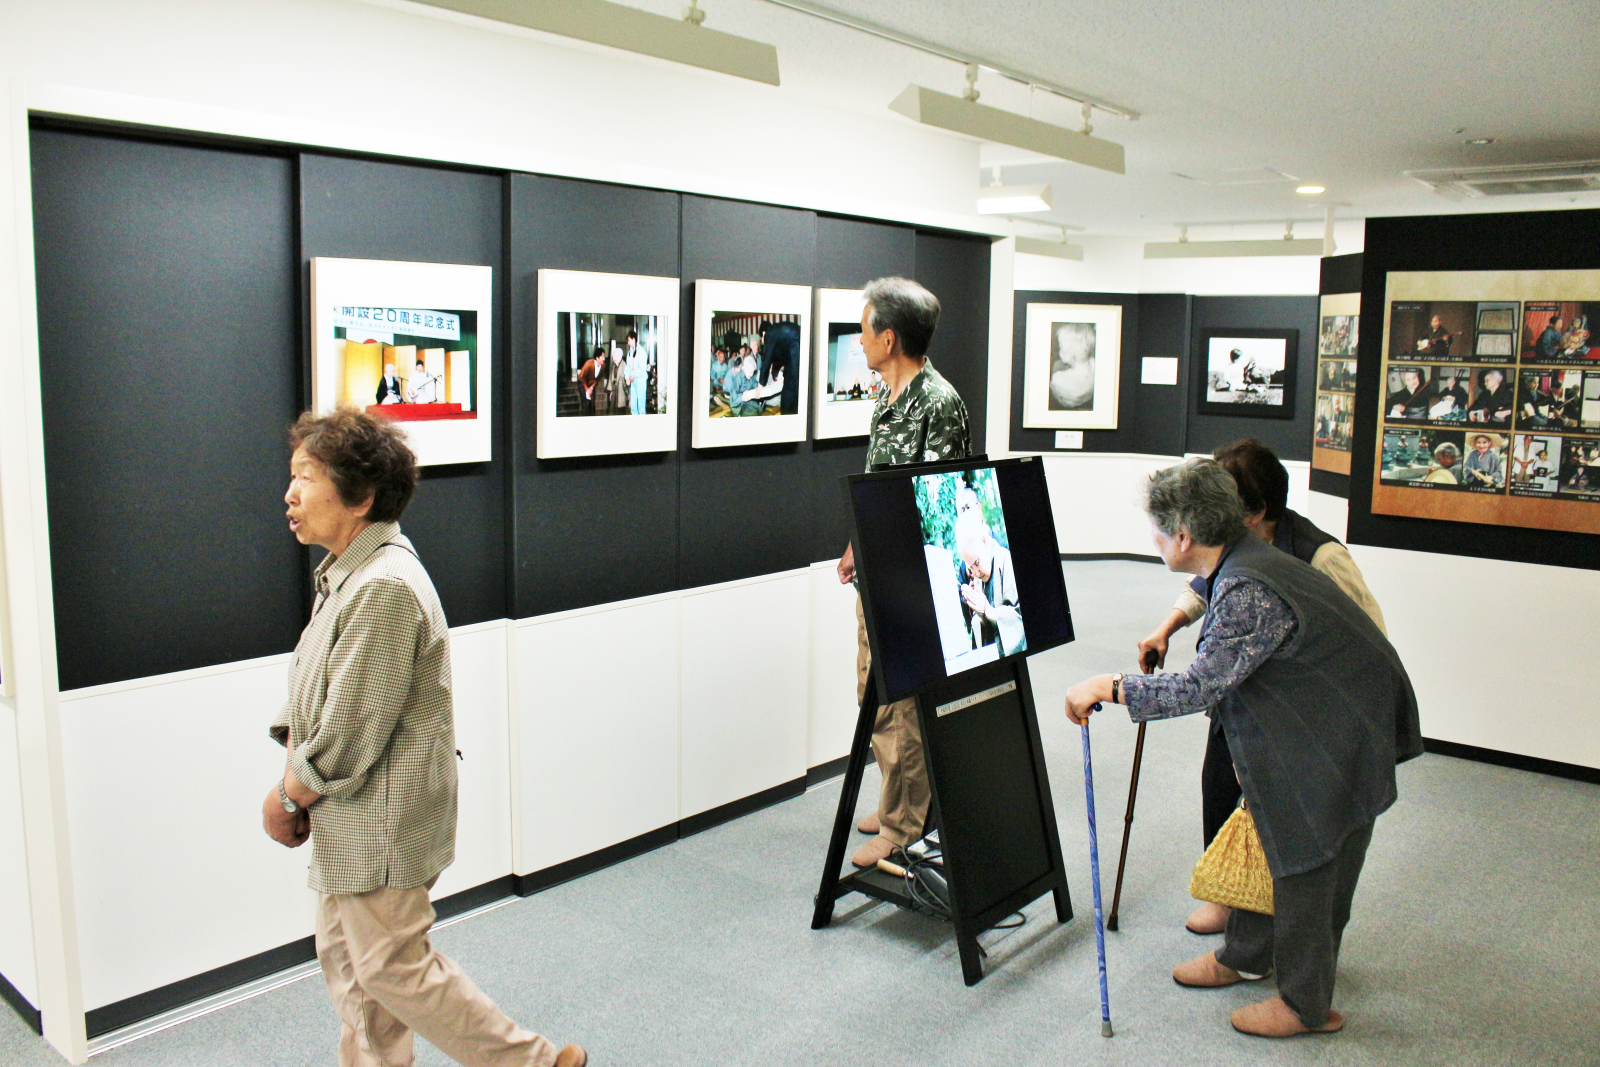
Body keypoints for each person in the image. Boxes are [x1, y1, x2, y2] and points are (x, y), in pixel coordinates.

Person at [265, 408, 585, 1067]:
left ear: (361, 495)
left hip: (379, 819)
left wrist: (288, 793)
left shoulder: (381, 584)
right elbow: (319, 681)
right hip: (349, 814)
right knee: (354, 969)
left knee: (390, 968)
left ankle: (535, 1063)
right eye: (291, 476)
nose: (290, 493)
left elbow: (349, 732)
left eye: (306, 476)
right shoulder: (348, 573)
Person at [1066, 458, 1420, 1039]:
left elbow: (1198, 686)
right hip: (1323, 720)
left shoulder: (1247, 587)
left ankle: (1306, 1005)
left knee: (1308, 860)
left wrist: (1109, 687)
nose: (1154, 541)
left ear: (1182, 536)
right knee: (1266, 836)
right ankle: (1247, 954)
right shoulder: (1239, 562)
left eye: (1156, 531)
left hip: (1342, 734)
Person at [1136, 439, 1388, 937]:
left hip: (1300, 706)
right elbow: (1207, 585)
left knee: (1276, 814)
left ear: (1256, 511)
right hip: (1245, 691)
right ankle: (1226, 895)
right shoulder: (1233, 546)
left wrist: (1114, 689)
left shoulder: (1319, 555)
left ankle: (1269, 931)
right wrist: (1168, 627)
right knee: (1219, 783)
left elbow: (1367, 635)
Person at [836, 276, 971, 871]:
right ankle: (902, 798)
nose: (860, 341)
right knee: (874, 699)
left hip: (910, 588)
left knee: (901, 706)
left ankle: (905, 823)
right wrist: (854, 545)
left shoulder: (938, 403)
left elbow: (936, 503)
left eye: (865, 330)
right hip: (877, 577)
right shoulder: (885, 399)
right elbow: (879, 482)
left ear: (888, 338)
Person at [954, 509, 1024, 656]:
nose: (976, 573)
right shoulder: (978, 578)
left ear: (984, 542)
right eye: (971, 568)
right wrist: (976, 609)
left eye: (977, 563)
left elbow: (1020, 620)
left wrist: (987, 609)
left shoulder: (1005, 559)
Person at [624, 330, 649, 415]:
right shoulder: (630, 352)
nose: (628, 343)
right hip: (633, 382)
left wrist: (633, 375)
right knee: (633, 405)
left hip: (640, 381)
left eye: (629, 340)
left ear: (633, 339)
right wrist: (627, 377)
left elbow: (642, 369)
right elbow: (627, 366)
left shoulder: (642, 352)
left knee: (641, 406)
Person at [577, 347, 605, 416]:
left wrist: (591, 388)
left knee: (592, 404)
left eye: (604, 357)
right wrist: (587, 389)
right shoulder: (589, 364)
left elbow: (598, 379)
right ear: (597, 358)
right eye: (602, 357)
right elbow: (581, 377)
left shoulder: (603, 365)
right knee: (585, 404)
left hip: (592, 385)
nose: (604, 359)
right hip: (583, 384)